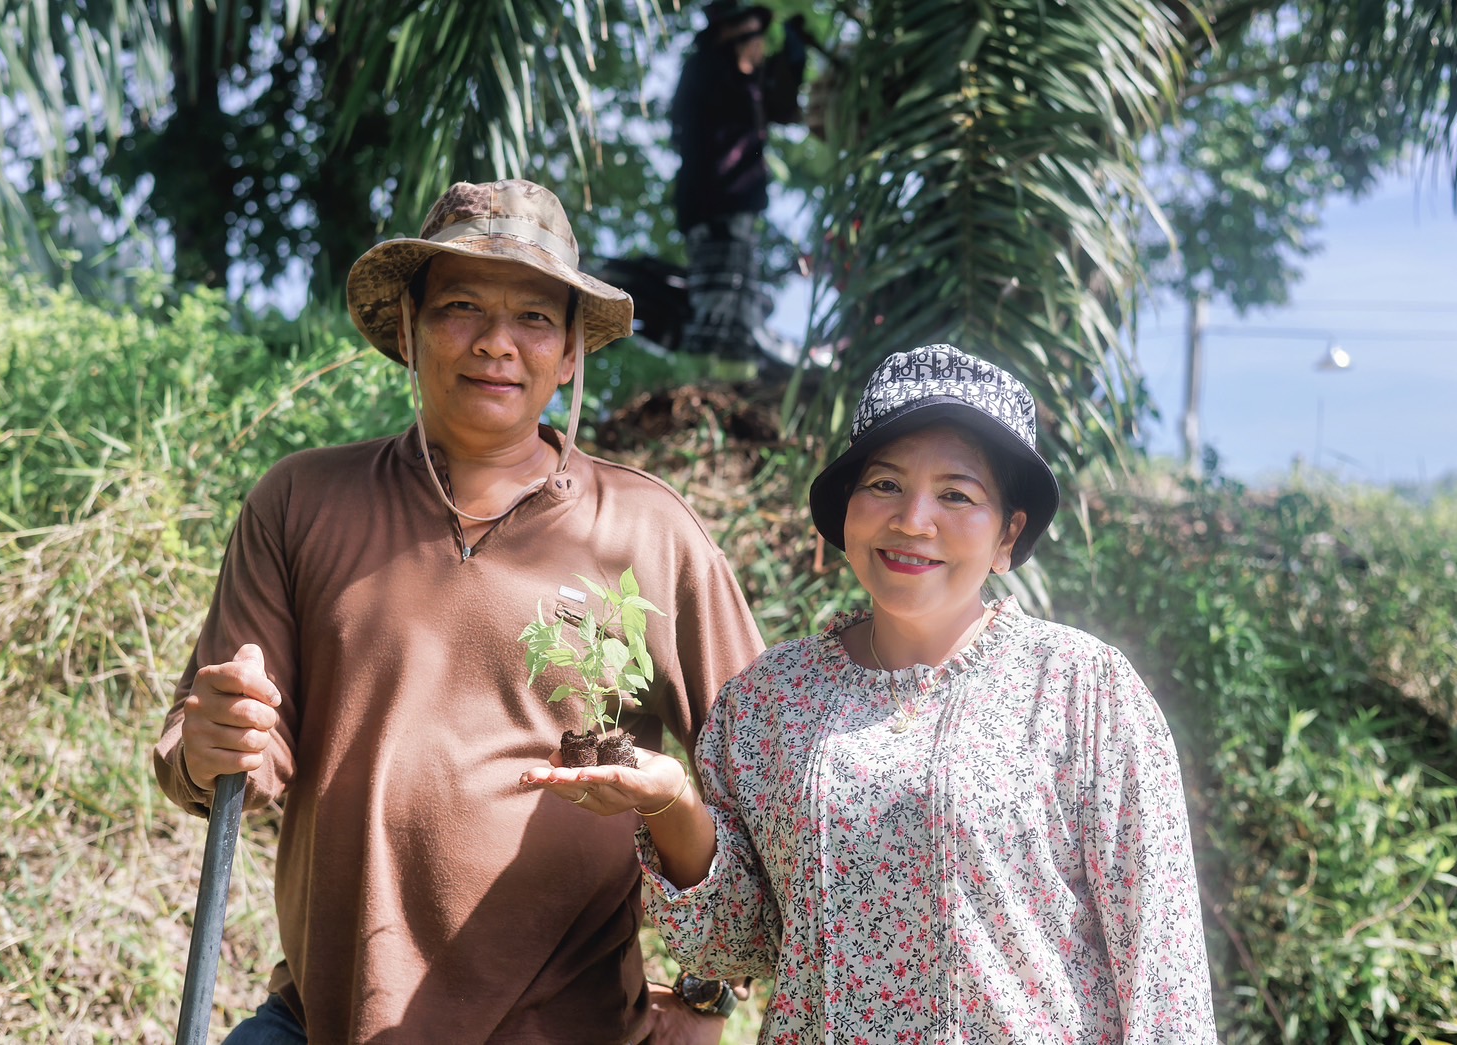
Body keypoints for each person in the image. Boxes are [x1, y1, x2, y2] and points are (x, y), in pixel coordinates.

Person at [153, 179, 767, 1044]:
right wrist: (212, 740)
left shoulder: (648, 530)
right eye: (460, 307)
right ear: (408, 329)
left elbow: (767, 787)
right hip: (326, 1018)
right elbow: (212, 751)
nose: (494, 345)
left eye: (534, 320)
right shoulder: (301, 502)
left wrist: (705, 994)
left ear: (568, 356)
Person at [523, 345, 1220, 1041]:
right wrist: (673, 801)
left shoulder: (1081, 691)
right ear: (848, 510)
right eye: (884, 484)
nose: (913, 519)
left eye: (956, 494)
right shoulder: (768, 701)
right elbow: (733, 944)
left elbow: (1163, 972)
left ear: (1008, 533)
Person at [669, 1, 809, 370]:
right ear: (729, 36)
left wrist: (793, 55)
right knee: (718, 303)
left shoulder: (739, 83)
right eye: (753, 36)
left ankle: (729, 384)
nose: (760, 45)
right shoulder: (708, 71)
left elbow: (780, 104)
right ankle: (702, 384)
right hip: (715, 208)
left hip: (734, 209)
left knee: (737, 304)